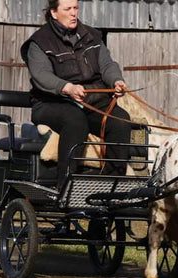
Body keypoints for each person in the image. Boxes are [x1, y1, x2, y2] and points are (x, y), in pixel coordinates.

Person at [20, 0, 132, 190]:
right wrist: (67, 88)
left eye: (76, 8)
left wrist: (116, 80)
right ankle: (66, 187)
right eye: (68, 9)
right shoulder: (39, 42)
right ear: (54, 13)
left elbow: (107, 65)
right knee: (75, 120)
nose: (74, 13)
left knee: (121, 120)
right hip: (51, 103)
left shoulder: (92, 36)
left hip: (92, 101)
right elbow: (42, 76)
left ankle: (112, 189)